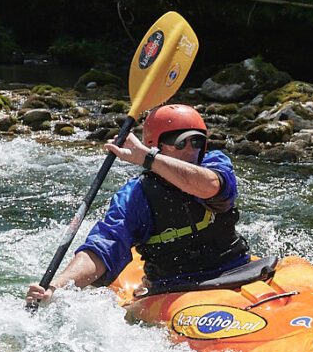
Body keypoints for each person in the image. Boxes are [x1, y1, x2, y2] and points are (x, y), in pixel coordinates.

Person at [25, 104, 255, 303]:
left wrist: (147, 158)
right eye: (180, 142)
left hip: (237, 269)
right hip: (174, 287)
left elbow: (208, 187)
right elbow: (102, 248)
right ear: (156, 145)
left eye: (197, 141)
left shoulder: (214, 165)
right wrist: (57, 287)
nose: (190, 150)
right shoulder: (135, 196)